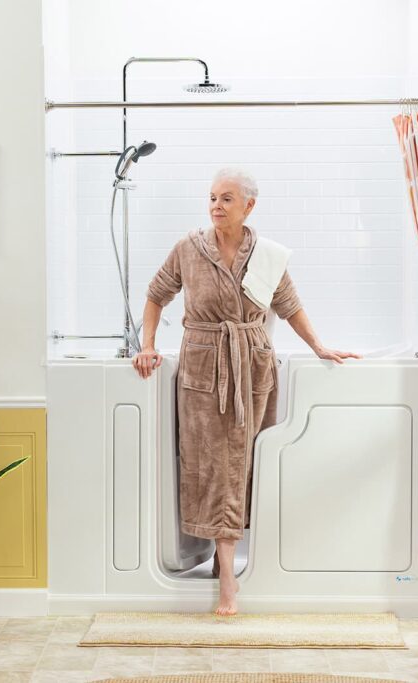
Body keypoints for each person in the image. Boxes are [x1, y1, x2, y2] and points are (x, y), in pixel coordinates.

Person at [133, 167, 360, 615]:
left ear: (248, 206)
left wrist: (319, 347)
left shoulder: (267, 256)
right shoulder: (188, 248)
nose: (216, 206)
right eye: (212, 197)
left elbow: (289, 306)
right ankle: (225, 573)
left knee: (240, 462)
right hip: (202, 366)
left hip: (252, 367)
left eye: (226, 198)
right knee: (209, 464)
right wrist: (147, 345)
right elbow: (156, 295)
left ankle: (226, 568)